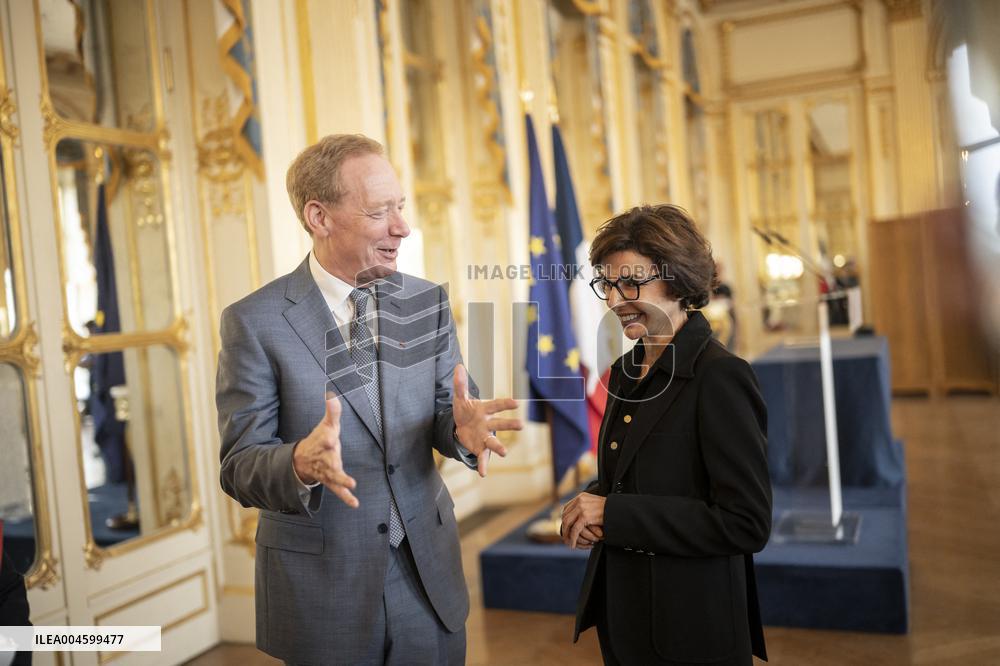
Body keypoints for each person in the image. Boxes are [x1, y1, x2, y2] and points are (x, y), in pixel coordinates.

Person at [216, 134, 521, 665]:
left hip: (428, 577)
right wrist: (298, 463)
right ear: (320, 216)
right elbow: (239, 465)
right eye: (380, 211)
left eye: (400, 207)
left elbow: (448, 411)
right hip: (324, 589)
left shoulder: (426, 301)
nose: (402, 226)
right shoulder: (254, 322)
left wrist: (461, 431)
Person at [561, 204, 772, 665]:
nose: (615, 301)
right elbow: (634, 478)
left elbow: (746, 523)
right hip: (625, 614)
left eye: (631, 284)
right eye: (607, 285)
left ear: (676, 281)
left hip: (692, 627)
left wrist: (614, 513)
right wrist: (589, 507)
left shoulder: (720, 377)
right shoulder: (623, 372)